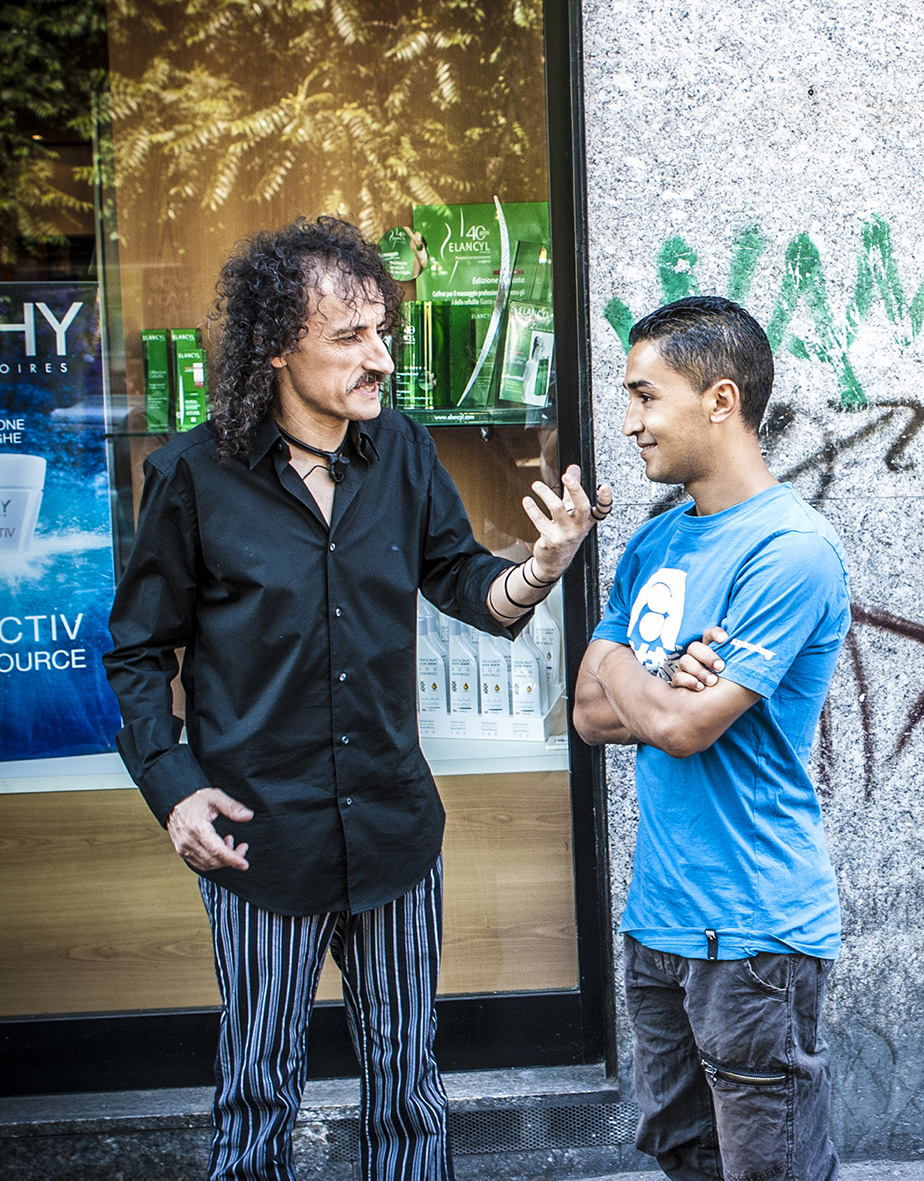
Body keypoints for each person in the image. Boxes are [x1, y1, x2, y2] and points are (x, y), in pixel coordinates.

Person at [104, 216, 606, 1181]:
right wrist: (174, 788)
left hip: (393, 830)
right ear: (277, 346)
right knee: (255, 1101)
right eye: (350, 336)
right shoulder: (190, 476)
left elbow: (470, 588)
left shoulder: (406, 453)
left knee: (410, 1095)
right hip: (260, 838)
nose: (381, 357)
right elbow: (136, 654)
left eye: (384, 331)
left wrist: (541, 566)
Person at [572, 295, 849, 1181]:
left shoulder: (790, 550)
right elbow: (587, 714)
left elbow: (678, 726)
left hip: (756, 930)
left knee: (771, 1168)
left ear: (720, 400)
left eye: (646, 397)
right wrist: (643, 675)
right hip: (659, 919)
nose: (630, 423)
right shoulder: (653, 544)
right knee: (684, 1156)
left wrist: (619, 662)